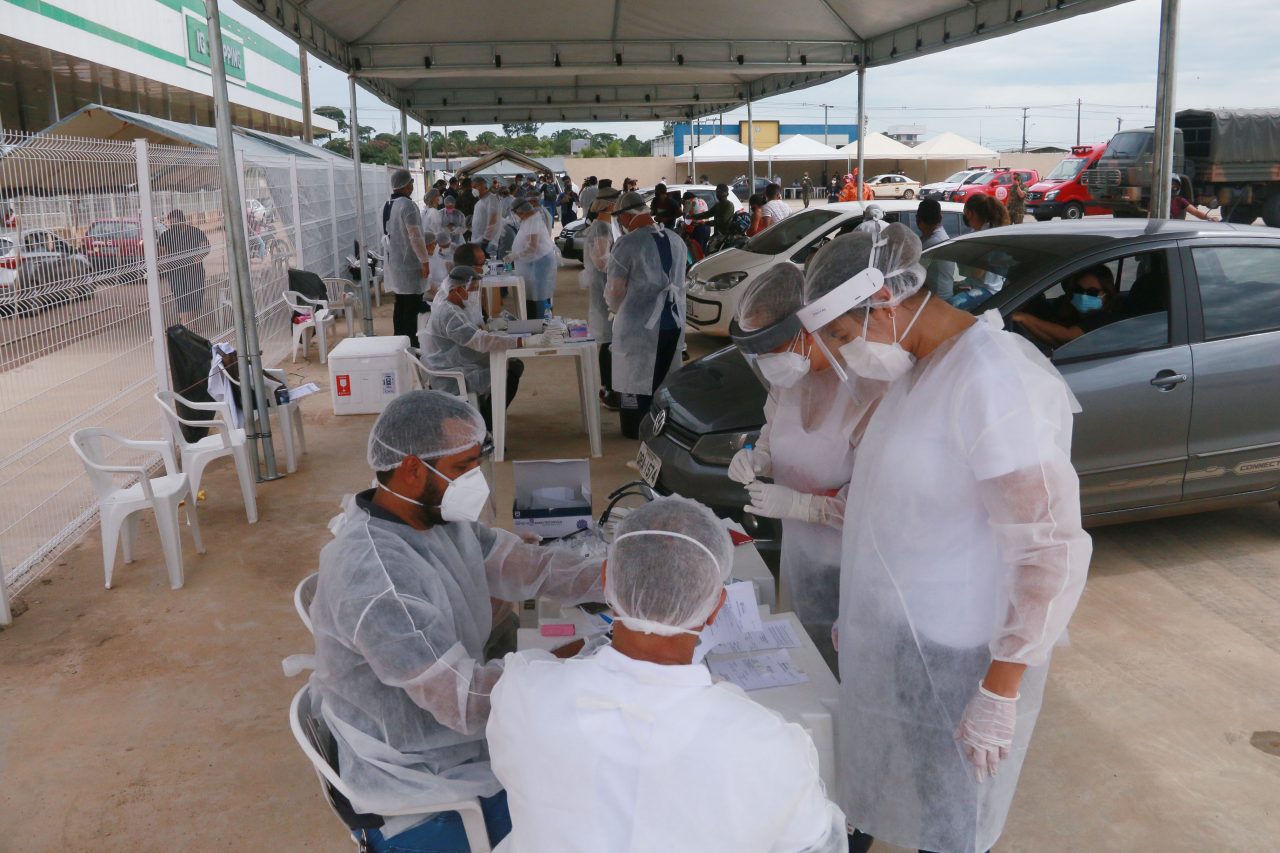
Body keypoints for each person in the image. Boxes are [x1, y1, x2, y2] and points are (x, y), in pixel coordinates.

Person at [797, 228, 1091, 853]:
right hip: (900, 637)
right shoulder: (915, 370)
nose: (848, 356)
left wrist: (1001, 686)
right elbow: (889, 504)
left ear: (884, 304)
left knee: (951, 818)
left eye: (847, 337)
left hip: (960, 654)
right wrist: (864, 614)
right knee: (893, 790)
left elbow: (1047, 545)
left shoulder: (994, 379)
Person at [307, 390, 604, 852]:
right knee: (593, 796)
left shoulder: (434, 521)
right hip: (419, 775)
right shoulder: (376, 577)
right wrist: (571, 661)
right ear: (411, 469)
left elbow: (532, 567)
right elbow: (463, 704)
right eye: (462, 467)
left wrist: (626, 580)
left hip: (447, 739)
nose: (475, 479)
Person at [487, 496, 848, 853]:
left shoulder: (522, 695)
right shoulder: (770, 746)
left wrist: (591, 648)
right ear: (715, 608)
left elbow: (546, 672)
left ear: (606, 583)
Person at [728, 264, 870, 670]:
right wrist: (757, 456)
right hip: (801, 556)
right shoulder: (790, 377)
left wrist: (801, 506)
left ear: (809, 330)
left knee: (850, 669)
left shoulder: (868, 389)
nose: (772, 363)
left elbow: (877, 502)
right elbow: (774, 434)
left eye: (774, 350)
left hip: (857, 567)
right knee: (805, 661)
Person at [421, 260, 541, 430]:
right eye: (472, 290)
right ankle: (487, 425)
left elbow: (478, 330)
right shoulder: (449, 313)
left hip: (461, 363)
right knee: (511, 370)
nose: (475, 294)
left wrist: (523, 327)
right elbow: (481, 341)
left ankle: (487, 415)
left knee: (512, 365)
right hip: (451, 374)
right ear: (457, 290)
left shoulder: (455, 305)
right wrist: (522, 341)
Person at [606, 191, 687, 439]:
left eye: (620, 220)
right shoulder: (676, 240)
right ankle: (663, 434)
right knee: (663, 384)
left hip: (640, 326)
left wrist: (614, 309)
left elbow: (615, 290)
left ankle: (643, 435)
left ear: (627, 216)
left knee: (639, 384)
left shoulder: (628, 244)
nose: (620, 225)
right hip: (673, 323)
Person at [1011, 265, 1122, 349]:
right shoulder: (1075, 312)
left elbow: (1068, 336)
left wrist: (1023, 317)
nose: (1083, 296)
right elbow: (1054, 341)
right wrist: (1024, 321)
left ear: (1107, 293)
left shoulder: (1107, 319)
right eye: (1079, 290)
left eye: (1092, 292)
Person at [580, 188, 621, 410]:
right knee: (608, 340)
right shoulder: (602, 227)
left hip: (604, 287)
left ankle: (610, 387)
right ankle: (609, 389)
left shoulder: (603, 225)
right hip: (604, 288)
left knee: (609, 339)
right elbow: (601, 261)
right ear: (610, 205)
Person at [382, 168, 434, 346]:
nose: (412, 185)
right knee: (411, 305)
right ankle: (411, 342)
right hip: (409, 263)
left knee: (401, 303)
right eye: (411, 182)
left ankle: (399, 339)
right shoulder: (407, 206)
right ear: (405, 185)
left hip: (394, 261)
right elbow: (415, 236)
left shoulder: (388, 204)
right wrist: (425, 260)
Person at [156, 209, 210, 323]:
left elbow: (206, 247)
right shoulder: (166, 235)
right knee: (181, 297)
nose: (172, 225)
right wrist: (163, 261)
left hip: (194, 270)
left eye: (175, 222)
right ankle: (185, 324)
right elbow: (161, 252)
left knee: (196, 296)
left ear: (182, 220)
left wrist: (199, 257)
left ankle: (190, 321)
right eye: (171, 223)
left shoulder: (195, 232)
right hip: (175, 270)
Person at [508, 197, 558, 318]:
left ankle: (542, 322)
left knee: (539, 294)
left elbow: (532, 247)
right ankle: (536, 320)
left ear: (520, 211)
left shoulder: (533, 221)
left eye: (515, 213)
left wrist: (516, 255)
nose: (516, 216)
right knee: (534, 292)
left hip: (540, 261)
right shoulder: (528, 220)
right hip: (534, 261)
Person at [916, 199, 956, 300]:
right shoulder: (936, 236)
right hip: (939, 295)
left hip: (938, 298)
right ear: (940, 218)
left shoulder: (934, 242)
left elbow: (914, 272)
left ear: (919, 221)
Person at [471, 178, 502, 253]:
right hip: (477, 241)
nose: (473, 189)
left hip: (487, 243)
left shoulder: (491, 199)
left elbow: (493, 221)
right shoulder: (479, 202)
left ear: (485, 187)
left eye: (476, 187)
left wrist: (485, 240)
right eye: (473, 187)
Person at [425, 230, 453, 302]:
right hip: (434, 297)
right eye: (432, 244)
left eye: (435, 243)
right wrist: (444, 294)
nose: (435, 246)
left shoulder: (436, 256)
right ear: (425, 246)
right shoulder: (424, 262)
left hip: (445, 290)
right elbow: (429, 284)